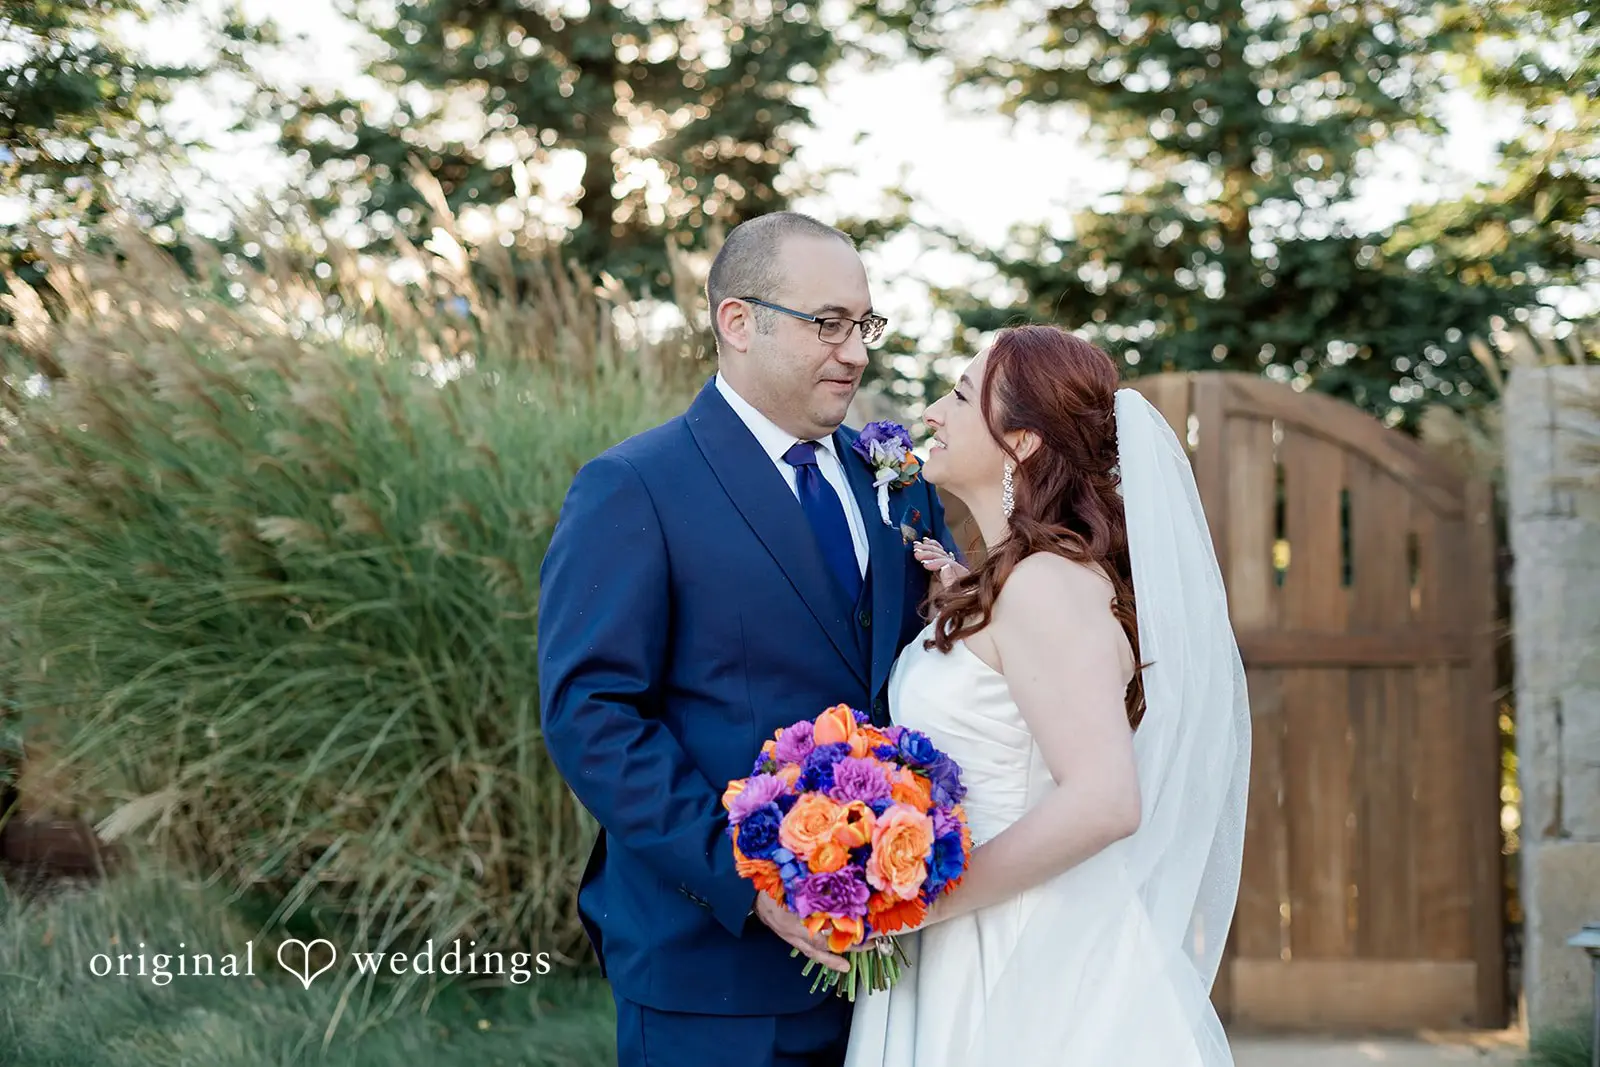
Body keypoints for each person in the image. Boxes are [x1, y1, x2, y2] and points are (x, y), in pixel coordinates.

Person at [537, 211, 957, 1067]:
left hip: (898, 975)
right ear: (738, 321)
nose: (856, 351)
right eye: (828, 323)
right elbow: (594, 715)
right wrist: (751, 880)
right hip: (711, 973)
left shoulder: (901, 488)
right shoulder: (636, 487)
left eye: (864, 324)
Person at [844, 324, 1251, 1067]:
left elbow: (1104, 799)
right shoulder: (1007, 578)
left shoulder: (1047, 585)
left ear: (1023, 441)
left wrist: (924, 902)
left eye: (961, 396)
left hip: (1019, 948)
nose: (933, 411)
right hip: (967, 935)